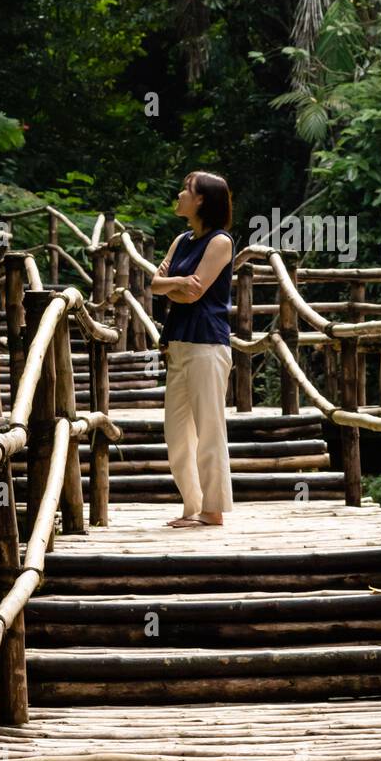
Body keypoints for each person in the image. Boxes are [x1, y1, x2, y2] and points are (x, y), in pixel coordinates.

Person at [151, 171, 235, 529]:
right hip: (178, 344)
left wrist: (178, 286)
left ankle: (212, 510)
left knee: (209, 429)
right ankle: (193, 505)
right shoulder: (181, 240)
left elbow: (195, 292)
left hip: (207, 345)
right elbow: (155, 285)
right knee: (177, 433)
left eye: (187, 190)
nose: (180, 194)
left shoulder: (220, 242)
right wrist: (178, 283)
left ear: (202, 200)